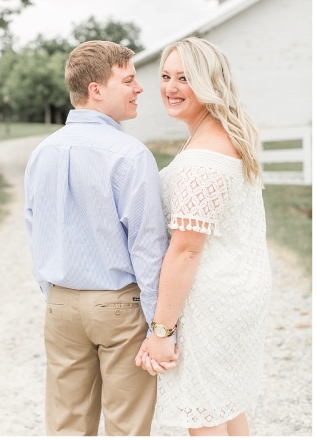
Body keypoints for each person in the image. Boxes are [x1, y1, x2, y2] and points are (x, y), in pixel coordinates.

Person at [24, 40, 174, 436]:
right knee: (127, 427)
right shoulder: (131, 154)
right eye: (128, 80)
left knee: (66, 426)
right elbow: (147, 246)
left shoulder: (43, 152)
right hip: (120, 308)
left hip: (60, 304)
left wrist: (52, 291)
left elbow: (34, 228)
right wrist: (160, 325)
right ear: (96, 90)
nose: (139, 88)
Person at [135, 37, 271, 436]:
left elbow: (185, 252)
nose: (170, 87)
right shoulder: (224, 136)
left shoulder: (202, 158)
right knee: (227, 405)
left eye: (184, 78)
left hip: (212, 299)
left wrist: (161, 331)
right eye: (165, 76)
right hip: (240, 288)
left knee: (203, 414)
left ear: (210, 83)